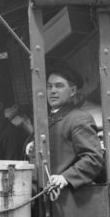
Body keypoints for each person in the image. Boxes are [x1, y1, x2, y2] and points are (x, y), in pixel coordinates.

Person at [44, 63, 104, 200]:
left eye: (59, 86)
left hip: (64, 197)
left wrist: (65, 178)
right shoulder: (47, 119)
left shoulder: (78, 118)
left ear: (72, 91)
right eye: (49, 86)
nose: (52, 91)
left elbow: (93, 158)